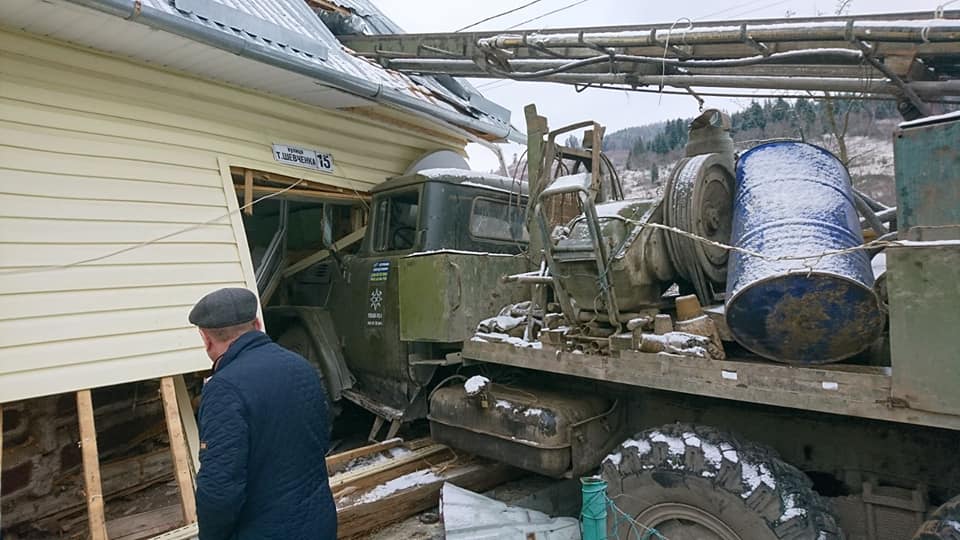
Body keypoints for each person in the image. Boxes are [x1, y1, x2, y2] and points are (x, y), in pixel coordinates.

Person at [189, 287, 336, 539]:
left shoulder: (223, 390)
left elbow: (219, 491)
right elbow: (322, 438)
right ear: (257, 324)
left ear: (206, 339)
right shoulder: (301, 367)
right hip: (320, 523)